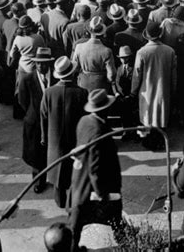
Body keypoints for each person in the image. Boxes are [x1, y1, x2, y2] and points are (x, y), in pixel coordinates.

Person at [69, 89, 122, 252]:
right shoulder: (100, 131)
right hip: (95, 187)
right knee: (114, 217)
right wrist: (102, 193)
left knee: (76, 224)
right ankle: (124, 245)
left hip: (79, 181)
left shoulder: (84, 121)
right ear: (104, 110)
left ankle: (73, 247)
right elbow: (95, 168)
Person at [40, 56, 88, 208]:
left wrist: (44, 137)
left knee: (57, 171)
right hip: (75, 139)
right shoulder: (81, 93)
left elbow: (43, 116)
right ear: (72, 74)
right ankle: (72, 201)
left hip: (54, 140)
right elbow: (86, 118)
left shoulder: (48, 92)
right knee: (74, 171)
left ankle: (60, 200)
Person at [131, 22, 177, 149]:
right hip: (163, 89)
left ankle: (149, 142)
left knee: (147, 115)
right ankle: (161, 141)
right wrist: (173, 89)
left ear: (147, 36)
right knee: (161, 115)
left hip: (146, 90)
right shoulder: (170, 51)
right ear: (160, 34)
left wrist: (133, 91)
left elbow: (136, 75)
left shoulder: (142, 52)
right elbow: (174, 74)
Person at [18, 47, 55, 194]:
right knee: (36, 155)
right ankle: (39, 181)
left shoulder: (57, 78)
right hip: (34, 123)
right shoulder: (27, 79)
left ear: (50, 64)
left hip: (52, 122)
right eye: (38, 63)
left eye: (44, 63)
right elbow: (22, 101)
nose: (41, 66)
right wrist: (32, 113)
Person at [72, 16, 117, 93]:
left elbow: (75, 68)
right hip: (100, 85)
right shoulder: (106, 51)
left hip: (83, 83)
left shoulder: (79, 47)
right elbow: (111, 75)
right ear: (102, 33)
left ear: (90, 31)